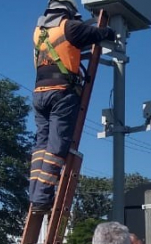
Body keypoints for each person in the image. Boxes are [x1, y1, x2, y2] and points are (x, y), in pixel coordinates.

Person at [29, 0, 119, 212]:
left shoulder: (38, 32)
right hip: (61, 92)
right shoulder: (71, 27)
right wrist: (112, 33)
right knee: (56, 147)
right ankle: (43, 199)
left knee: (41, 147)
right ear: (69, 10)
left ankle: (35, 195)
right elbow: (99, 34)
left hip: (39, 93)